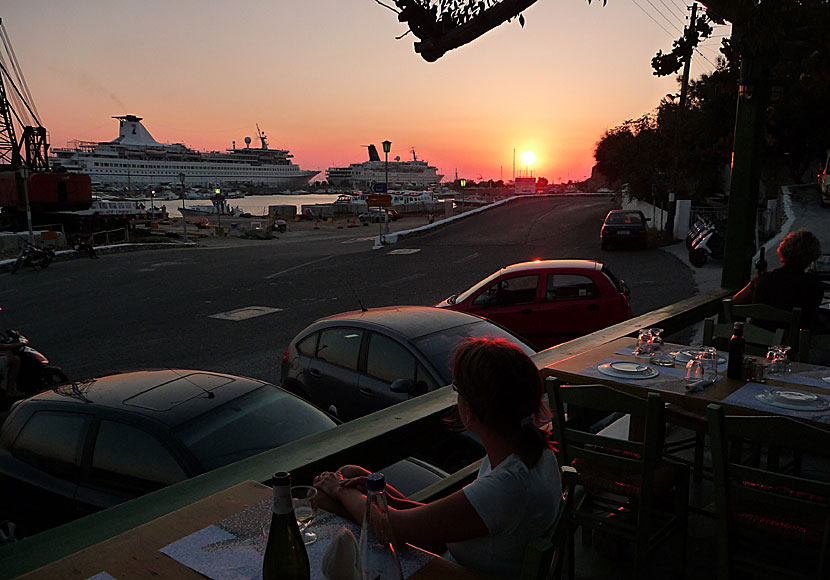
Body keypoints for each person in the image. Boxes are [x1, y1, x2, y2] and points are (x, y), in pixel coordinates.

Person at [313, 338, 561, 578]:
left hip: (461, 571)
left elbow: (392, 529)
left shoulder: (507, 486)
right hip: (467, 555)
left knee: (326, 497)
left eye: (458, 390)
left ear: (474, 408)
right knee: (353, 473)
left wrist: (341, 491)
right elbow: (446, 518)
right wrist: (378, 493)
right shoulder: (531, 450)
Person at [733, 229, 825, 330]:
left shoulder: (763, 279)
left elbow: (735, 301)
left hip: (757, 341)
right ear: (812, 257)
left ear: (784, 251)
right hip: (792, 343)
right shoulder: (815, 287)